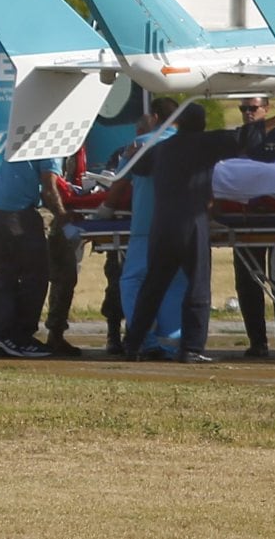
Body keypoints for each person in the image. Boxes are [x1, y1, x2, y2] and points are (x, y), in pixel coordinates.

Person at [121, 106, 244, 363]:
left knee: (153, 286)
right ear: (202, 124)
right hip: (192, 221)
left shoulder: (162, 148)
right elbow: (245, 137)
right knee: (197, 287)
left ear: (177, 123)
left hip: (162, 224)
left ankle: (133, 345)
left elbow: (138, 167)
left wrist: (133, 152)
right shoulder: (207, 143)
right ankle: (192, 348)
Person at [115, 97, 189, 358]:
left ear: (155, 117)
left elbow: (118, 183)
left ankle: (145, 339)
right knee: (175, 283)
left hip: (147, 227)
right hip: (181, 227)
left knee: (133, 281)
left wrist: (105, 209)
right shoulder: (188, 145)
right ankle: (172, 344)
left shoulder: (141, 145)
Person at [0, 144, 66, 359]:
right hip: (16, 211)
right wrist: (63, 215)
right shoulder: (52, 144)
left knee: (4, 273)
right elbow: (49, 188)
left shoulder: (24, 134)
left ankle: (0, 334)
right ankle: (21, 337)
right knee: (36, 274)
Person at [232, 95, 275, 358]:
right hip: (246, 219)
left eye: (253, 108)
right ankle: (257, 341)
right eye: (243, 108)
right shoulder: (239, 137)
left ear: (266, 109)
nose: (248, 113)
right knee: (247, 282)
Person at [42, 142, 110, 357]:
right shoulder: (58, 149)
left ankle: (55, 333)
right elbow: (52, 187)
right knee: (63, 277)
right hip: (59, 219)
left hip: (67, 217)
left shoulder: (73, 147)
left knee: (65, 279)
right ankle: (54, 333)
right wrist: (64, 218)